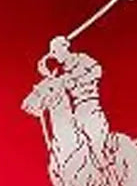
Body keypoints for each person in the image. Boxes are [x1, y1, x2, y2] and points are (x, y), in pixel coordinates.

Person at [45, 34, 112, 175]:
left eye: (56, 51)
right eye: (53, 53)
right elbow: (55, 88)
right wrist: (47, 73)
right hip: (76, 110)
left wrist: (77, 78)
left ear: (64, 48)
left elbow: (97, 71)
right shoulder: (61, 71)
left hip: (90, 105)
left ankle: (111, 176)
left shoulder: (81, 59)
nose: (55, 55)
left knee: (96, 142)